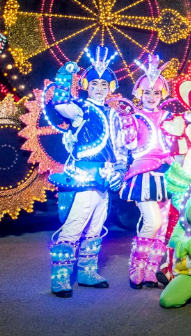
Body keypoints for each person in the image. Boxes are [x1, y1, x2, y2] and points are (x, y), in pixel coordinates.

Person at [47, 46, 126, 298]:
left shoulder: (113, 114)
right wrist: (64, 76)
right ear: (86, 86)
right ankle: (60, 277)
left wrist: (120, 170)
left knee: (96, 226)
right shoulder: (80, 108)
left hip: (105, 176)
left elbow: (119, 145)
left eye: (104, 84)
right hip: (83, 176)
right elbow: (59, 103)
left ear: (110, 87)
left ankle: (87, 272)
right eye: (94, 84)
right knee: (75, 225)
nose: (99, 88)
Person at [118, 54, 175, 289]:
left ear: (163, 95)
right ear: (140, 94)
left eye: (156, 93)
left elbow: (175, 144)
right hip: (143, 173)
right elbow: (130, 145)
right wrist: (126, 123)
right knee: (152, 221)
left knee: (163, 225)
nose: (152, 97)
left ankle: (151, 269)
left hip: (167, 174)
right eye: (148, 93)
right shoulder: (134, 117)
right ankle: (136, 266)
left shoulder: (169, 117)